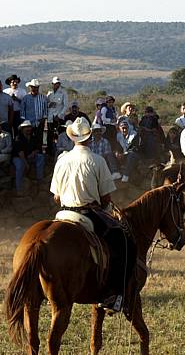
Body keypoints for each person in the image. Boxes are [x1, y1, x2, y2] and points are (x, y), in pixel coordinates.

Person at [50, 117, 133, 314]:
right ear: (89, 138)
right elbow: (105, 199)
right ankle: (114, 295)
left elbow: (56, 197)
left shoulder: (62, 160)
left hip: (63, 213)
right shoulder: (97, 160)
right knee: (122, 240)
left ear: (73, 138)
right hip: (87, 213)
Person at [12, 120, 45, 193]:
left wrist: (34, 153)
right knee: (20, 165)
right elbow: (20, 153)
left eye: (29, 127)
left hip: (30, 157)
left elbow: (38, 148)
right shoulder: (18, 138)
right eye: (26, 127)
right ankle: (19, 189)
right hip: (18, 157)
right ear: (22, 129)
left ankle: (40, 179)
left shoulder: (33, 137)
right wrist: (26, 164)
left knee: (41, 157)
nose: (28, 129)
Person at [46, 76, 68, 142]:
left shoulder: (63, 93)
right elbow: (46, 104)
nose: (57, 85)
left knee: (60, 135)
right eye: (55, 83)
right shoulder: (49, 93)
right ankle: (49, 150)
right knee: (50, 136)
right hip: (50, 118)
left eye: (58, 83)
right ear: (52, 84)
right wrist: (49, 104)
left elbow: (65, 106)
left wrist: (59, 115)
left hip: (59, 118)